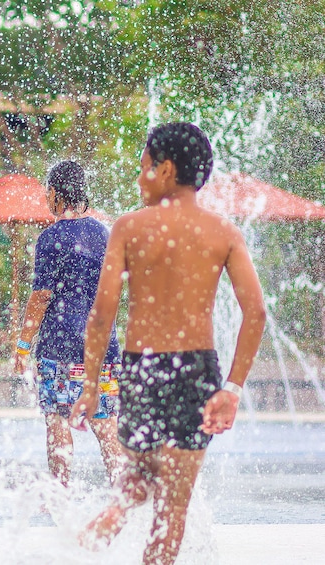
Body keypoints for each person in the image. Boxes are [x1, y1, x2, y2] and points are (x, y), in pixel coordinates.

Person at [69, 122, 266, 564]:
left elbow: (102, 316)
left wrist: (92, 386)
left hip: (143, 367)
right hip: (198, 370)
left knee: (138, 473)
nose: (138, 180)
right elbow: (256, 313)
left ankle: (116, 510)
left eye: (143, 169)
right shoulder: (224, 232)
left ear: (165, 170)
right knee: (173, 508)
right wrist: (232, 390)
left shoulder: (129, 228)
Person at [14, 160, 125, 488]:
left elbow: (41, 297)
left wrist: (23, 345)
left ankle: (59, 495)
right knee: (106, 422)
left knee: (59, 419)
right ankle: (121, 493)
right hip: (102, 346)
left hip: (59, 347)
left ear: (54, 193)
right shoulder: (106, 234)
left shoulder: (50, 238)